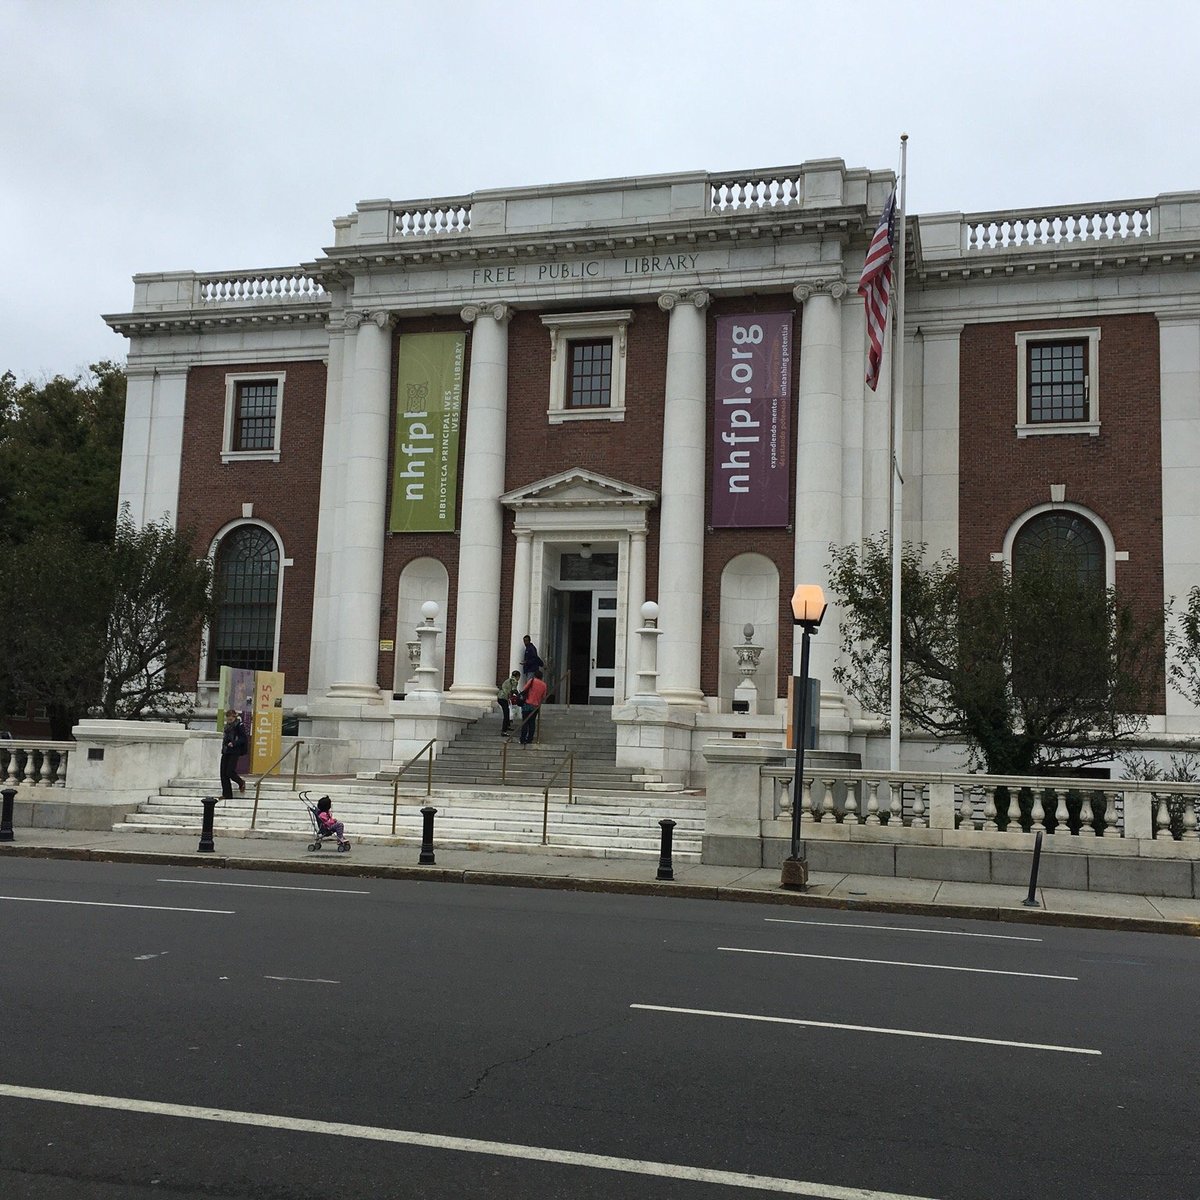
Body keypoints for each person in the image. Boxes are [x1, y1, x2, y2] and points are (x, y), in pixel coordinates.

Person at [220, 707, 248, 799]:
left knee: (229, 771)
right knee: (223, 773)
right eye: (228, 719)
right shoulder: (227, 726)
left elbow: (243, 738)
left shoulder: (239, 725)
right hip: (226, 750)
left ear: (234, 717)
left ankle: (240, 782)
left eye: (231, 719)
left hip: (234, 751)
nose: (229, 721)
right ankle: (227, 794)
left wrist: (234, 743)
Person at [518, 668, 548, 745]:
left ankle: (522, 739)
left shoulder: (532, 680)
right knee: (532, 722)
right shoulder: (544, 685)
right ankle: (529, 739)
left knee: (525, 722)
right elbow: (544, 696)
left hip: (527, 703)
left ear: (535, 675)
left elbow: (524, 689)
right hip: (536, 706)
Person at [497, 669, 520, 737]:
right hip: (504, 698)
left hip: (500, 697)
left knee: (507, 711)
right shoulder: (514, 681)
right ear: (518, 676)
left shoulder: (508, 680)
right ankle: (504, 731)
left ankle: (507, 726)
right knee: (506, 714)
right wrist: (519, 695)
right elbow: (514, 690)